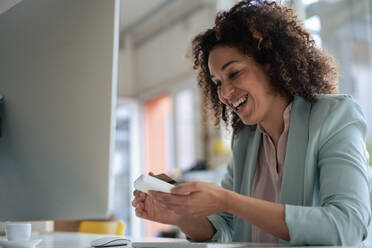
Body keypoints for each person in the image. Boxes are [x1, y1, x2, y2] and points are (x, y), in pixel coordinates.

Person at [132, 0, 371, 246]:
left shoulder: (334, 117)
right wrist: (180, 216)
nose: (224, 93)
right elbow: (226, 229)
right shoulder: (246, 139)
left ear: (271, 64)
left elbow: (348, 224)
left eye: (233, 73)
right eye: (217, 83)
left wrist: (229, 201)